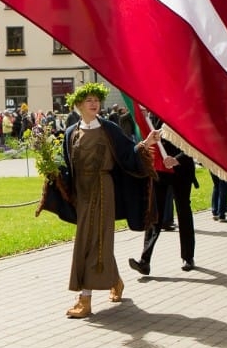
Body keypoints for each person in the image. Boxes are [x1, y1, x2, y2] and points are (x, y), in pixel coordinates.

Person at [59, 82, 158, 318]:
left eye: (96, 100)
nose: (94, 104)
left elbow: (128, 152)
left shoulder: (109, 129)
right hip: (82, 193)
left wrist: (146, 144)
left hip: (103, 190)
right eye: (89, 101)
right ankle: (115, 280)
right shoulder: (71, 132)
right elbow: (66, 166)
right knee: (93, 239)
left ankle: (85, 299)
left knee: (90, 241)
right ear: (79, 105)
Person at [129, 115, 198, 274]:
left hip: (181, 170)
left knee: (183, 211)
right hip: (161, 171)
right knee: (155, 214)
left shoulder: (181, 112)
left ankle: (188, 257)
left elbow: (192, 141)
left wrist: (177, 159)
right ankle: (145, 260)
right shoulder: (151, 115)